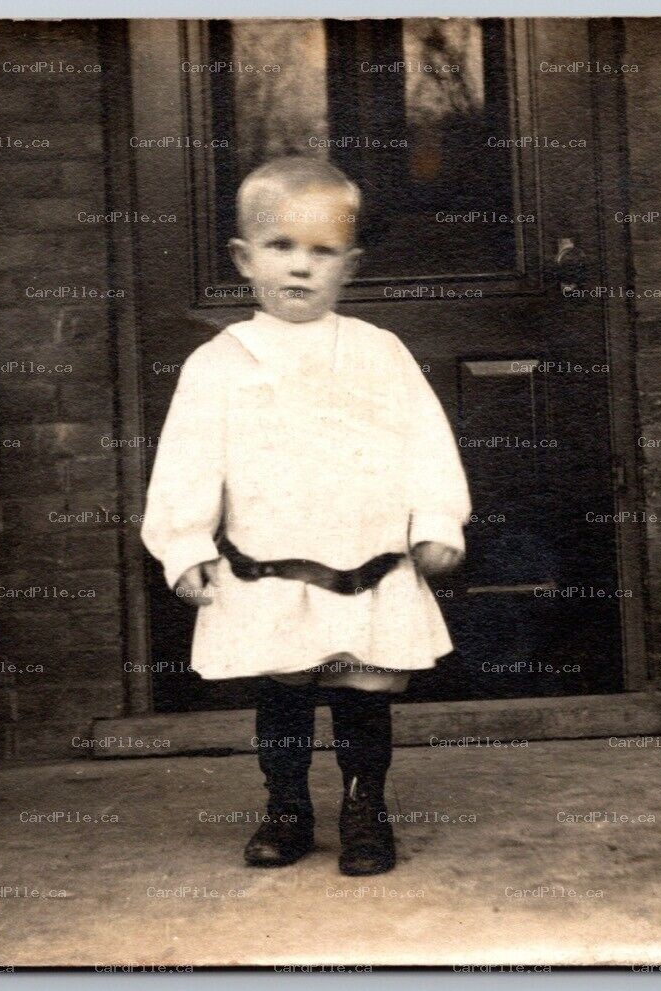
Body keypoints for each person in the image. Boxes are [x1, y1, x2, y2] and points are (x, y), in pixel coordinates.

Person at [141, 155, 471, 876]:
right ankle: (286, 806)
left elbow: (426, 444)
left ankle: (365, 808)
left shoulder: (380, 354)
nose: (300, 266)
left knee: (362, 692)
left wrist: (437, 521)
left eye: (322, 252)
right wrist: (185, 542)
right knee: (282, 690)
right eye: (281, 246)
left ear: (349, 266)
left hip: (365, 564)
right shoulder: (220, 364)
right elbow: (187, 463)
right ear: (243, 258)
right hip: (271, 566)